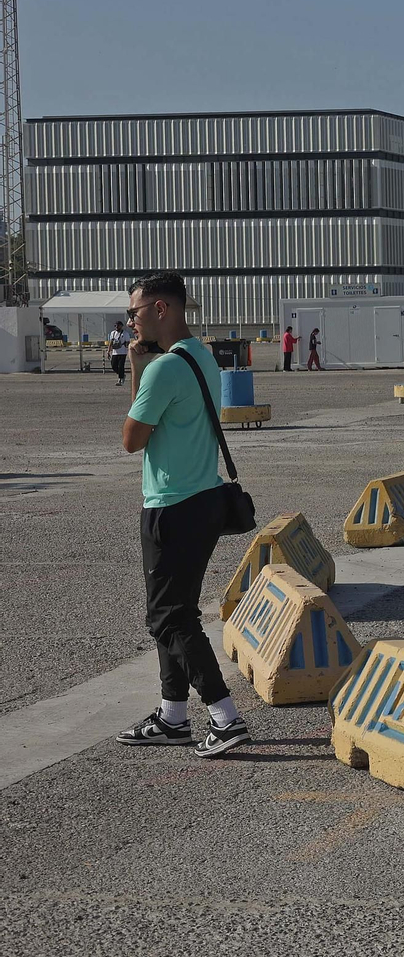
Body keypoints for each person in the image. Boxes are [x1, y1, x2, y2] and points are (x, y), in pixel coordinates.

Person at [115, 271, 251, 759]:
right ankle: (173, 714)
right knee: (170, 612)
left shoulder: (164, 370)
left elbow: (132, 440)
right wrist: (137, 364)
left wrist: (139, 371)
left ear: (160, 309)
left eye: (134, 311)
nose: (129, 320)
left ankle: (225, 716)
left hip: (172, 505)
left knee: (170, 617)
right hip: (205, 498)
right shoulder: (201, 357)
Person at [106, 320, 131, 385]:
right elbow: (111, 342)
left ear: (121, 326)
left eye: (118, 325)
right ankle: (122, 374)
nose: (116, 327)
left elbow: (128, 342)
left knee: (121, 366)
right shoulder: (113, 333)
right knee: (113, 366)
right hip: (115, 352)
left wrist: (127, 348)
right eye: (115, 326)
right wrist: (108, 351)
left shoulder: (125, 334)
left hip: (122, 352)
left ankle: (121, 379)